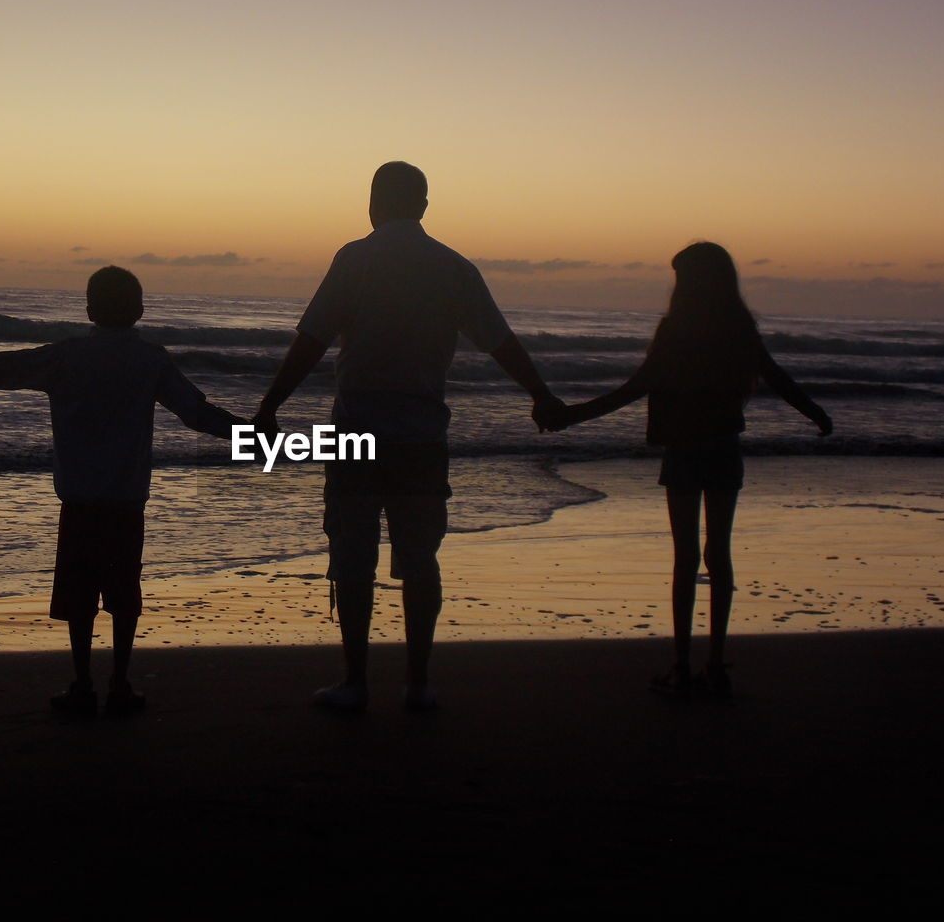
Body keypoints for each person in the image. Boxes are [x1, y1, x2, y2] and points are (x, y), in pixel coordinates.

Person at [254, 161, 564, 711]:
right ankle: (417, 684)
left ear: (373, 202)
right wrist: (541, 395)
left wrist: (270, 406)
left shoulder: (355, 259)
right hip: (422, 438)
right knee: (420, 560)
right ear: (423, 205)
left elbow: (312, 339)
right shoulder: (454, 268)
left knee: (353, 557)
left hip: (355, 434)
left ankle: (355, 682)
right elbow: (500, 342)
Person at [0, 266, 240, 716]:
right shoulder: (151, 360)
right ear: (139, 309)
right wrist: (252, 435)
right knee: (123, 594)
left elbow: (3, 368)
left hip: (79, 498)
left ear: (89, 310)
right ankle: (120, 683)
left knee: (80, 598)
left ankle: (82, 683)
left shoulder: (67, 356)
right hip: (125, 499)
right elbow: (197, 413)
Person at [542, 241, 832, 698]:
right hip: (722, 449)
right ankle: (714, 665)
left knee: (686, 558)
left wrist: (569, 416)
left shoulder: (676, 330)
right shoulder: (738, 328)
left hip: (684, 451)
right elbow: (777, 377)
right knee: (719, 556)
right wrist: (815, 413)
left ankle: (682, 664)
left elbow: (635, 388)